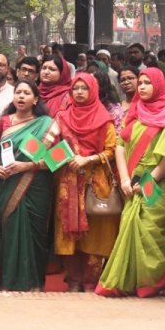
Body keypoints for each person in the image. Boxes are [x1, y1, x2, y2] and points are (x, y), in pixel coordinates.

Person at [96, 67, 165, 299]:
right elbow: (120, 145)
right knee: (130, 225)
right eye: (141, 83)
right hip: (131, 178)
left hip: (157, 182)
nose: (143, 87)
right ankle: (130, 280)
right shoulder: (135, 111)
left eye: (148, 83)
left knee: (150, 228)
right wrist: (125, 178)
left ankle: (154, 281)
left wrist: (148, 179)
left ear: (158, 85)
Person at [47, 73, 120, 292]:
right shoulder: (61, 118)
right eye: (75, 88)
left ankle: (92, 280)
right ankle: (74, 279)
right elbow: (50, 148)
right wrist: (63, 157)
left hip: (95, 182)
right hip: (67, 183)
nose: (79, 92)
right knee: (68, 233)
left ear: (93, 91)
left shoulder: (103, 119)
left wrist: (87, 159)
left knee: (95, 233)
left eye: (84, 88)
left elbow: (112, 150)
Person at [0, 80, 54, 291]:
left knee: (35, 234)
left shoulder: (47, 124)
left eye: (27, 93)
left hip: (36, 186)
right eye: (18, 92)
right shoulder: (5, 122)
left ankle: (34, 283)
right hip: (7, 183)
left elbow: (57, 159)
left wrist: (26, 166)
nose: (21, 96)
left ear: (35, 99)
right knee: (9, 232)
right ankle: (8, 281)